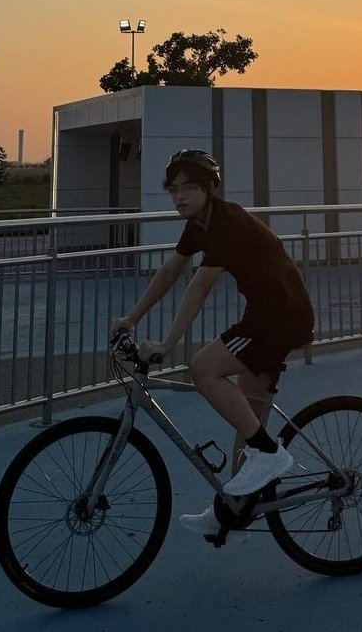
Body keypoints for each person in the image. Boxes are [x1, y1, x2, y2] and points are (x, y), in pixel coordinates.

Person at [110, 148, 315, 539]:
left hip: (279, 318)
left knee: (203, 369)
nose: (179, 196)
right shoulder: (200, 224)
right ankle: (232, 508)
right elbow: (172, 270)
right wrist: (131, 319)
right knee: (249, 417)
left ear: (209, 189)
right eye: (173, 190)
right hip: (267, 315)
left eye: (189, 187)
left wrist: (167, 344)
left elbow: (200, 284)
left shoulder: (227, 222)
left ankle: (270, 454)